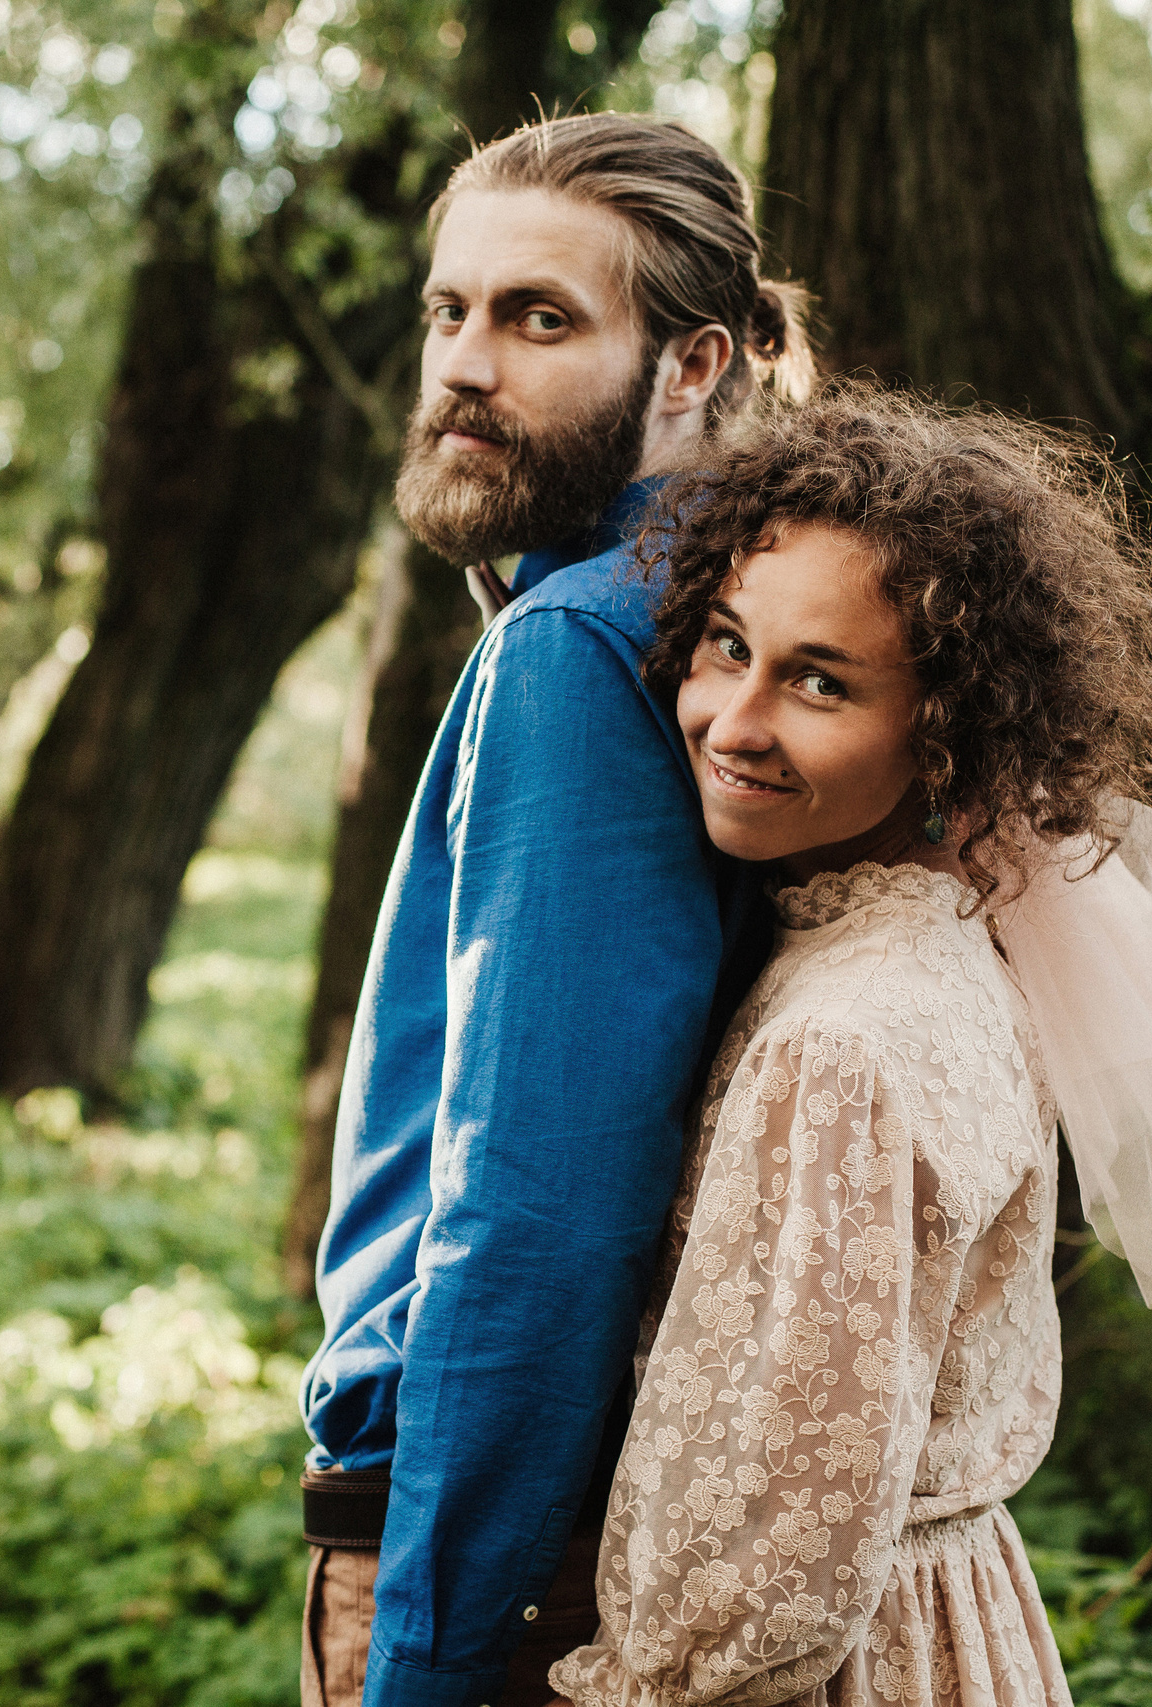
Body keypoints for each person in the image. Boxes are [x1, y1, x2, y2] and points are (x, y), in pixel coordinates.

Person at [547, 386, 1152, 1707]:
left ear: (946, 732)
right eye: (727, 645)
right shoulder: (950, 949)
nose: (733, 720)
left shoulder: (846, 1040)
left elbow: (763, 1577)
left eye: (820, 681)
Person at [298, 113, 811, 1707]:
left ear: (689, 363)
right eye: (449, 311)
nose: (463, 366)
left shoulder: (587, 651)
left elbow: (538, 1205)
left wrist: (433, 1650)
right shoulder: (731, 612)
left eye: (540, 319)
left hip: (464, 1528)